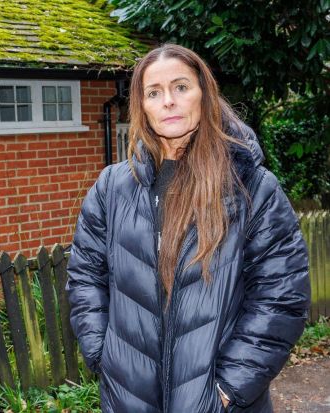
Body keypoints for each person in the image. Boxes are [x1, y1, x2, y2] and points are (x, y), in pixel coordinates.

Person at [66, 44, 310, 413]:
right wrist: (104, 355)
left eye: (181, 87)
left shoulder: (251, 186)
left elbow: (281, 294)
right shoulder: (112, 188)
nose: (168, 101)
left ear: (204, 94)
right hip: (129, 397)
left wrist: (228, 389)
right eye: (154, 92)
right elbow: (86, 277)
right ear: (142, 106)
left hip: (219, 401)